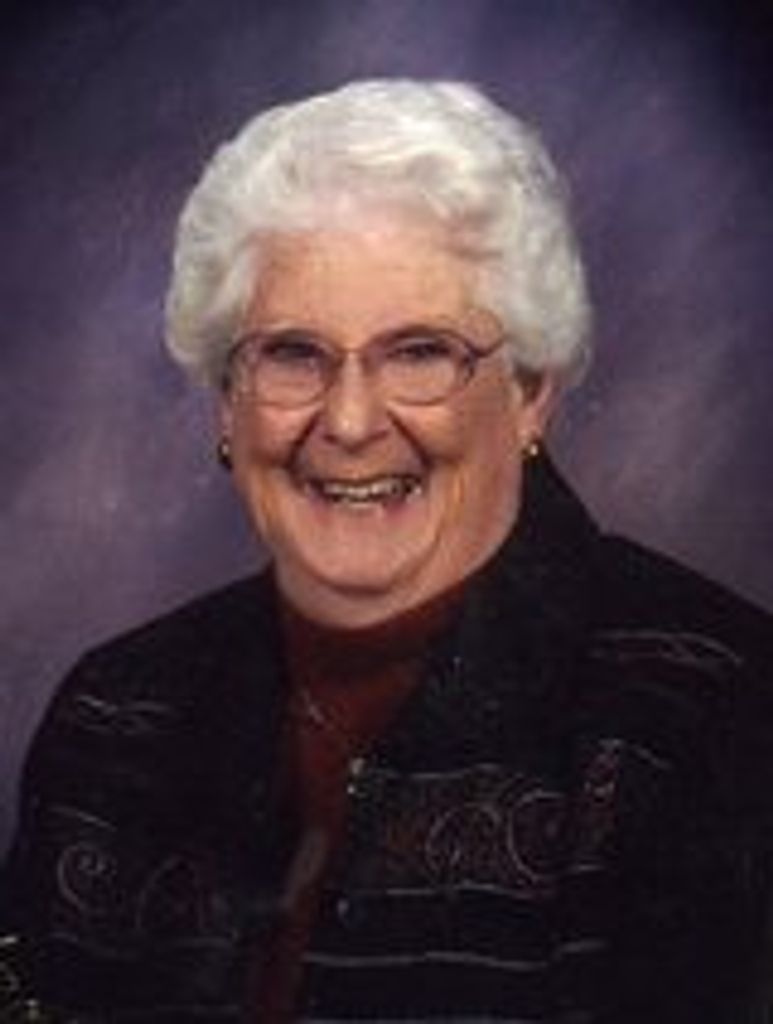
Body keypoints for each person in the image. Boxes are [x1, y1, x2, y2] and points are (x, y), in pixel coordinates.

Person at [1, 78, 772, 1023]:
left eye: (419, 352)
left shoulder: (709, 711)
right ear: (226, 401)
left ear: (530, 392)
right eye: (293, 353)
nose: (351, 421)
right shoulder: (116, 713)